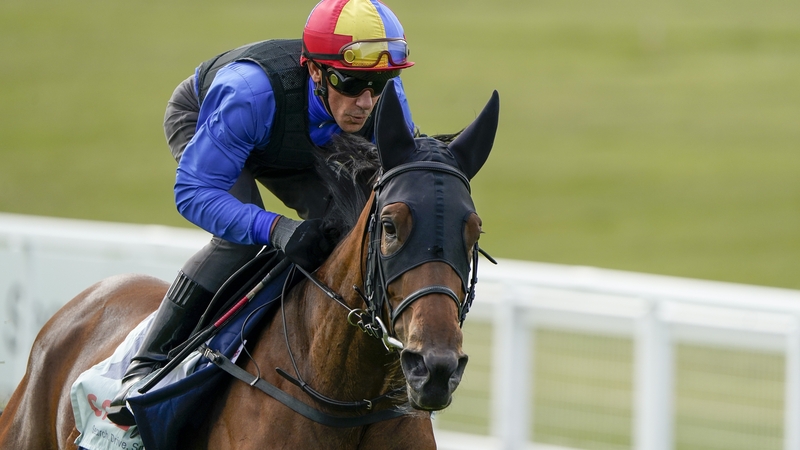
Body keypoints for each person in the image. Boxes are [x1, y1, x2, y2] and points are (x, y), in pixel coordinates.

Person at [108, 0, 415, 425]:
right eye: (352, 83)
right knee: (239, 239)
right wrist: (276, 228)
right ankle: (146, 365)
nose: (366, 101)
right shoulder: (247, 93)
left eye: (380, 84)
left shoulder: (380, 98)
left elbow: (401, 183)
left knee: (351, 227)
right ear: (315, 71)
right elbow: (194, 193)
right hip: (213, 118)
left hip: (301, 136)